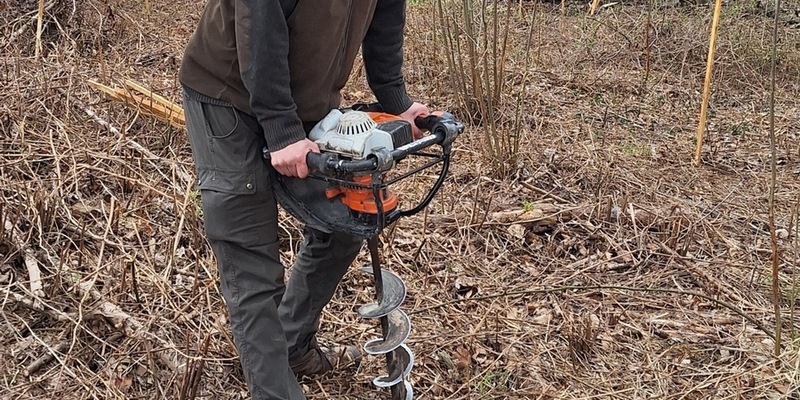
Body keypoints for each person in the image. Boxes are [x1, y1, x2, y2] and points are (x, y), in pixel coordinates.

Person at [177, 0, 429, 398]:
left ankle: (292, 344)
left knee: (349, 216)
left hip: (308, 104)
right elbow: (258, 15)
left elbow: (386, 11)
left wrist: (395, 99)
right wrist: (280, 128)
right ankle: (275, 389)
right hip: (228, 97)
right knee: (250, 252)